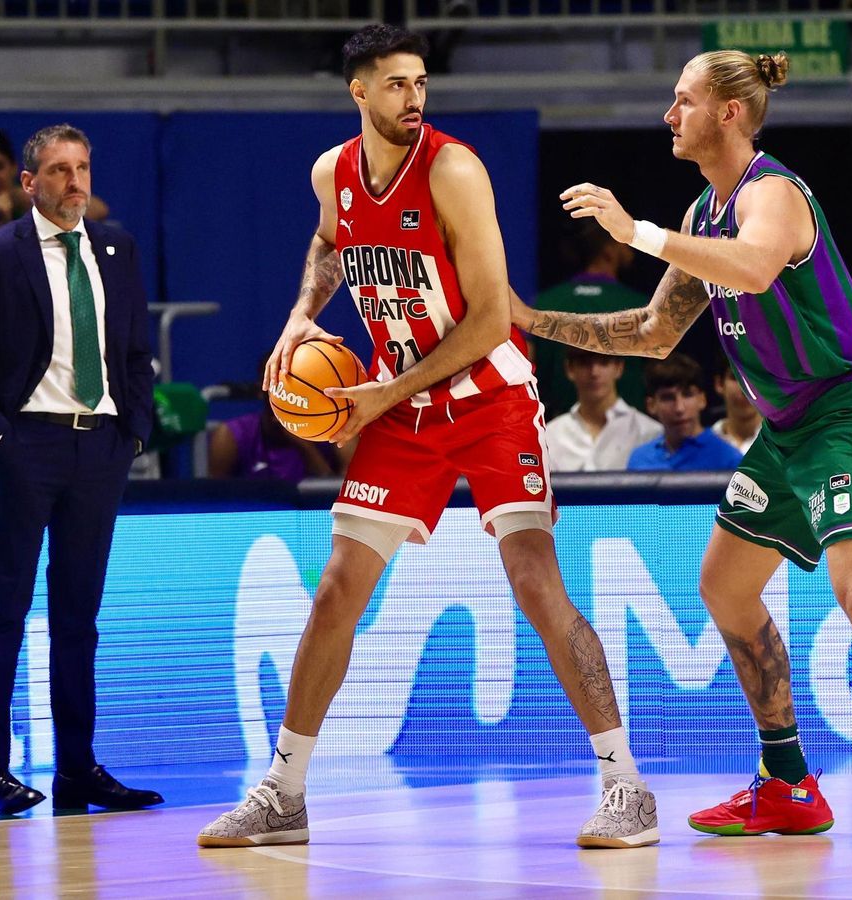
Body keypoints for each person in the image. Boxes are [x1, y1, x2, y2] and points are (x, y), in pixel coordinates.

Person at [513, 49, 852, 848]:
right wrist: (529, 319)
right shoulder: (703, 213)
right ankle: (787, 782)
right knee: (725, 587)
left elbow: (750, 268)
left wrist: (636, 232)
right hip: (787, 430)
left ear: (730, 112)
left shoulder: (772, 192)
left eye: (683, 100)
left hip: (846, 412)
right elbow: (654, 331)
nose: (669, 115)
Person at [198, 25, 659, 851]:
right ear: (359, 92)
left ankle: (626, 785)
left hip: (489, 397)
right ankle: (284, 793)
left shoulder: (454, 170)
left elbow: (488, 320)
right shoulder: (332, 173)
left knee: (535, 583)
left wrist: (383, 394)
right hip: (403, 408)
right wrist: (302, 314)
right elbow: (329, 239)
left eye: (420, 82)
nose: (414, 97)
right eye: (396, 84)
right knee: (337, 588)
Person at [0, 124, 159, 817]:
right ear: (29, 182)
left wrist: (133, 431)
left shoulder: (117, 248)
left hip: (100, 448)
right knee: (3, 613)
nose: (75, 181)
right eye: (60, 170)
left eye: (83, 167)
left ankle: (78, 770)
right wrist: (0, 440)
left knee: (78, 617)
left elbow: (134, 352)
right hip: (27, 445)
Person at [532, 220, 650, 418]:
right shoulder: (642, 306)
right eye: (626, 236)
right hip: (632, 429)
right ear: (608, 249)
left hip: (553, 424)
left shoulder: (543, 303)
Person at [543, 345, 661, 472]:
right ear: (570, 369)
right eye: (584, 363)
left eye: (604, 363)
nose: (594, 372)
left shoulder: (649, 432)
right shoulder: (550, 435)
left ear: (619, 367)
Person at [626, 353, 742, 471]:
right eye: (668, 398)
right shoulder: (639, 459)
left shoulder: (729, 459)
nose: (679, 408)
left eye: (687, 395)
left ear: (702, 399)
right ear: (651, 405)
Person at [208, 405, 339, 480]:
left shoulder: (334, 431)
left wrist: (306, 447)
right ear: (261, 389)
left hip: (311, 515)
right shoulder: (231, 435)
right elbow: (218, 498)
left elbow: (332, 494)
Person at [711, 361, 761, 453]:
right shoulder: (707, 444)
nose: (745, 389)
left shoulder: (783, 443)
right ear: (719, 384)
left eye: (752, 377)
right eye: (735, 377)